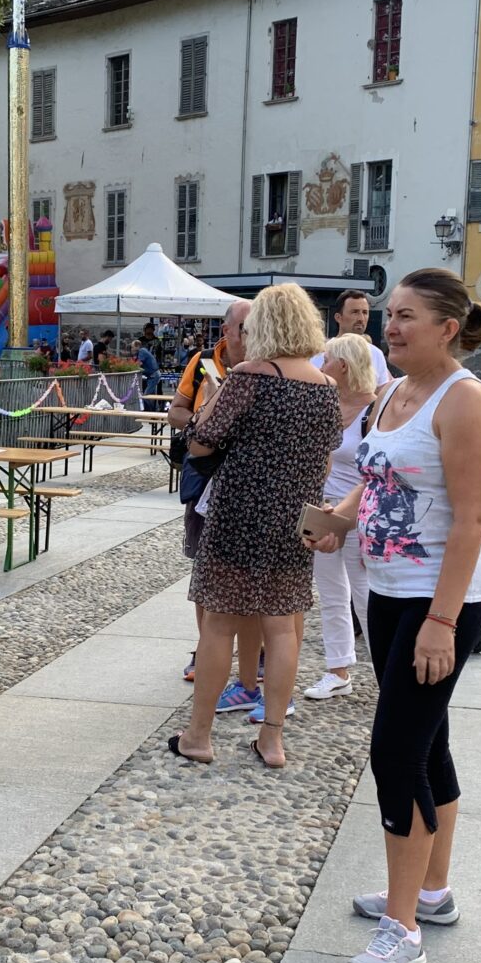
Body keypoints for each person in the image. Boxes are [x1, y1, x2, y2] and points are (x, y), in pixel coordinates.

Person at [304, 269, 481, 963]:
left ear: (448, 327)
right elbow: (377, 476)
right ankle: (430, 892)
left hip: (439, 601)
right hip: (386, 593)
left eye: (408, 316)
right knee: (427, 742)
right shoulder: (393, 392)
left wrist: (442, 621)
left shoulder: (465, 400)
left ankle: (402, 928)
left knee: (394, 754)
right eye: (390, 314)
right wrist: (337, 520)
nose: (391, 325)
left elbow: (472, 520)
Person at [168, 284, 338, 769]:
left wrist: (211, 402)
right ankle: (272, 740)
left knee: (220, 623)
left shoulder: (249, 375)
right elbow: (326, 458)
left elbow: (200, 442)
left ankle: (199, 736)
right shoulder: (325, 386)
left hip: (239, 513)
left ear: (261, 325)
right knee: (282, 629)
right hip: (292, 519)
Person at [168, 299, 262, 707]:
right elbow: (176, 413)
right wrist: (202, 417)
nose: (252, 334)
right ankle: (205, 649)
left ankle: (252, 659)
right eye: (246, 327)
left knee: (252, 580)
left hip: (248, 491)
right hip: (206, 483)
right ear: (227, 331)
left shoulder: (269, 368)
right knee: (205, 576)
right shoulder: (204, 362)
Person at [305, 333, 378, 700]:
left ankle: (386, 673)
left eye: (327, 359)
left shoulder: (374, 410)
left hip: (358, 512)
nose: (322, 366)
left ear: (344, 366)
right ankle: (338, 670)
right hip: (324, 508)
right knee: (332, 593)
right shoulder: (327, 404)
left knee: (365, 594)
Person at [326, 291, 392, 385]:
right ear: (338, 317)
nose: (361, 318)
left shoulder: (376, 354)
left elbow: (382, 389)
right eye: (355, 312)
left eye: (365, 312)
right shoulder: (323, 352)